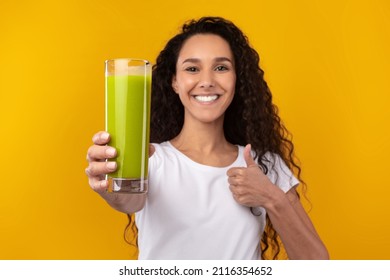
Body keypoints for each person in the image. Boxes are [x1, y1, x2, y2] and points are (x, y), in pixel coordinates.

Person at [85, 16, 329, 260]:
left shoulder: (264, 165)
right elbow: (127, 201)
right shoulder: (149, 158)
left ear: (236, 80)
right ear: (175, 82)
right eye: (192, 69)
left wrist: (272, 198)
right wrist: (107, 183)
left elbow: (318, 264)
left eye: (221, 67)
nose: (207, 82)